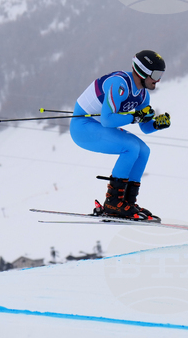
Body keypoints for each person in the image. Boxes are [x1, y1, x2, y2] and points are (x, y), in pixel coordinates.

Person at [70, 50, 171, 220]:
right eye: (156, 74)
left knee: (143, 150)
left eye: (161, 75)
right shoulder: (119, 84)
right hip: (83, 127)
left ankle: (127, 202)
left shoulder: (143, 95)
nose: (159, 79)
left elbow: (145, 127)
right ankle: (113, 203)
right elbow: (107, 120)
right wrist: (135, 117)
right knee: (130, 147)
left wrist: (156, 124)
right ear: (143, 72)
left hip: (98, 125)